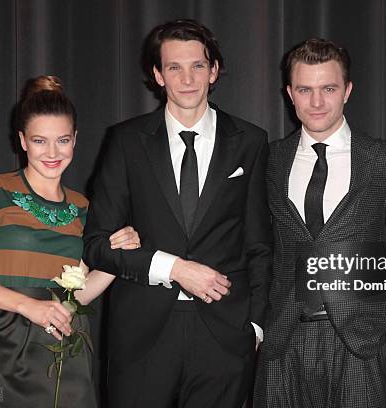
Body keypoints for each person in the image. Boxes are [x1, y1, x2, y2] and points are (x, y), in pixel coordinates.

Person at [82, 19, 272, 408]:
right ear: (157, 74)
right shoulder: (124, 142)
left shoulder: (251, 142)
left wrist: (253, 327)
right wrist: (173, 267)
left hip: (224, 335)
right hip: (141, 335)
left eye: (197, 66)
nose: (187, 79)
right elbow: (97, 246)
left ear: (214, 70)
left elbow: (260, 243)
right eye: (174, 67)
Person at [0, 76, 138, 407]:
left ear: (75, 140)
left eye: (62, 140)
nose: (53, 152)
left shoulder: (85, 208)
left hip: (61, 352)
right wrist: (28, 306)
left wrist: (118, 257)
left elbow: (78, 294)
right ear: (23, 141)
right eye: (40, 141)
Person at [254, 39, 386, 407]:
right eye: (305, 89)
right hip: (283, 338)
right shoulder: (269, 160)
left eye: (328, 89)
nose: (317, 102)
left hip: (357, 341)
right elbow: (256, 246)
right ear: (290, 94)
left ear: (347, 91)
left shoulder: (384, 160)